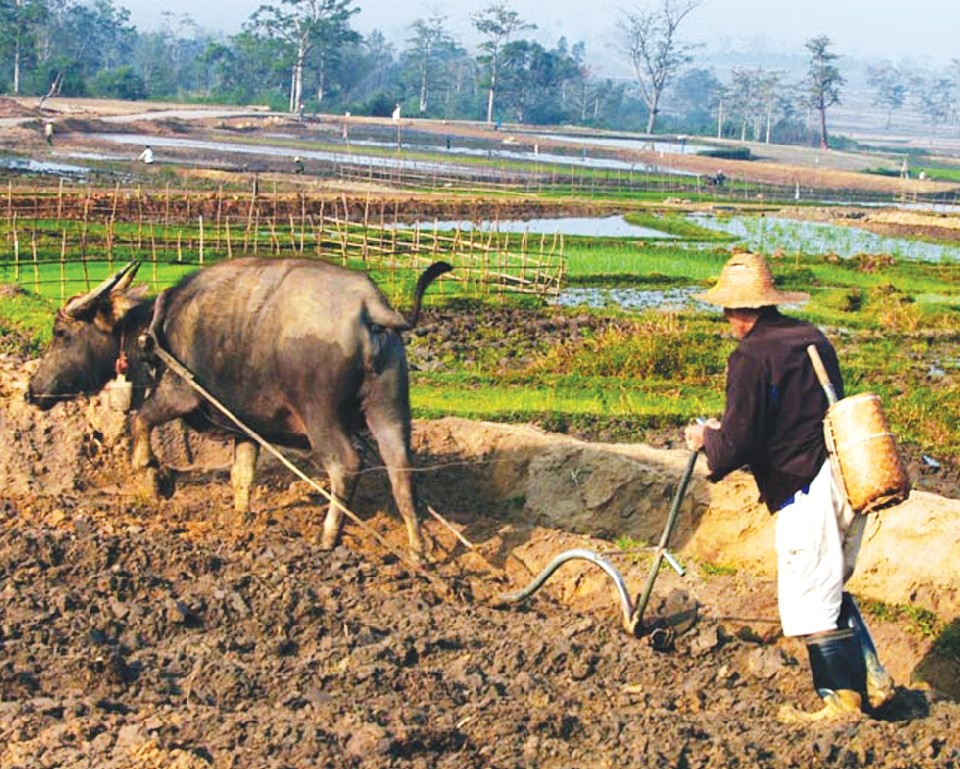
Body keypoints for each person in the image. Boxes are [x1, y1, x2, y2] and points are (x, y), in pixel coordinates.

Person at [683, 252, 894, 723]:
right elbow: (795, 414)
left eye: (727, 310)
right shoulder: (811, 338)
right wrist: (730, 432)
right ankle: (875, 680)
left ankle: (841, 701)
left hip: (803, 485)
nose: (726, 319)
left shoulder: (750, 356)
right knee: (830, 581)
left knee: (811, 592)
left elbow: (738, 442)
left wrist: (707, 439)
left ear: (740, 310)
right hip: (845, 473)